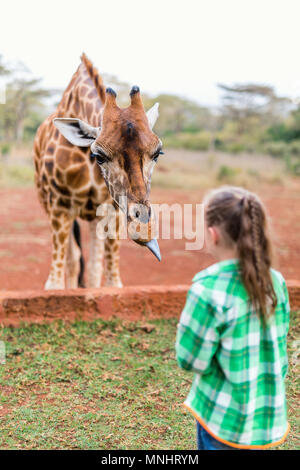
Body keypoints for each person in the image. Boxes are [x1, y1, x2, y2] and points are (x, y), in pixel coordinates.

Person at [176, 186, 290, 450]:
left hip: (222, 422)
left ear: (213, 235)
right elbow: (279, 352)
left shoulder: (207, 288)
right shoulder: (276, 282)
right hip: (265, 421)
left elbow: (191, 359)